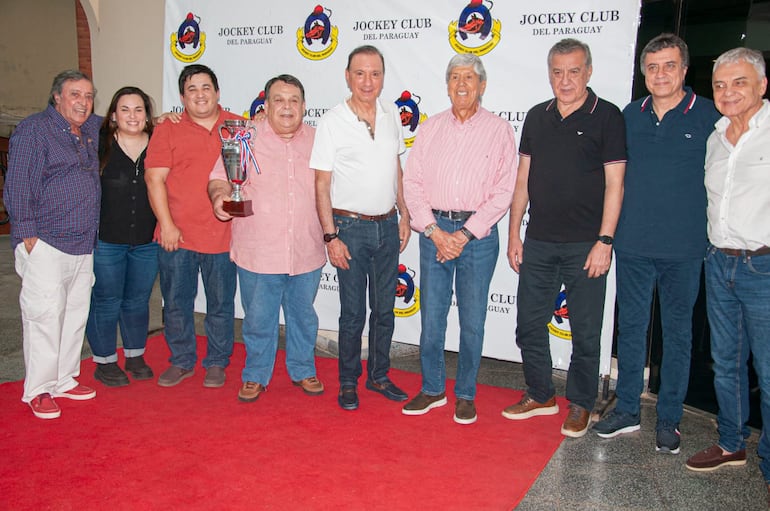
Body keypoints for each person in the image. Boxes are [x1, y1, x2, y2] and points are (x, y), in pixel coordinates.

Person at [591, 34, 720, 453]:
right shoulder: (630, 115)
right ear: (644, 73)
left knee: (678, 335)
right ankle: (627, 409)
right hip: (632, 244)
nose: (660, 74)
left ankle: (669, 419)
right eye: (652, 67)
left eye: (669, 66)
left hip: (684, 249)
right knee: (630, 328)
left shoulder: (708, 115)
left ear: (684, 70)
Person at [502, 38, 626, 438]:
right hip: (538, 241)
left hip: (586, 246)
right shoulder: (537, 117)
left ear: (588, 72)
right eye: (558, 72)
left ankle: (582, 404)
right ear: (549, 74)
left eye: (574, 71)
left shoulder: (607, 116)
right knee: (527, 324)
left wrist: (604, 241)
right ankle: (540, 394)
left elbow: (615, 184)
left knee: (586, 333)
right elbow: (523, 179)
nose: (566, 80)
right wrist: (514, 233)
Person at [401, 54, 516, 424]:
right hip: (434, 232)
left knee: (473, 320)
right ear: (447, 84)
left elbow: (504, 191)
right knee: (432, 317)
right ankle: (433, 389)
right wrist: (435, 232)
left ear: (482, 85)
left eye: (469, 77)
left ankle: (465, 393)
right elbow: (412, 183)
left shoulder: (500, 130)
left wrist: (464, 234)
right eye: (454, 77)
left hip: (477, 239)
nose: (461, 83)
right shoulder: (430, 127)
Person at [208, 74, 326, 403]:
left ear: (304, 106)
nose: (286, 107)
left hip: (306, 248)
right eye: (278, 100)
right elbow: (220, 178)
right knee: (259, 318)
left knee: (304, 315)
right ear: (267, 105)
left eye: (293, 100)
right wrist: (220, 198)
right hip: (259, 251)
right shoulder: (246, 137)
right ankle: (256, 374)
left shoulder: (319, 140)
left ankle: (303, 369)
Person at [686, 48, 770, 489]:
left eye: (739, 82)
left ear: (762, 85)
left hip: (764, 267)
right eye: (719, 85)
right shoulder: (715, 137)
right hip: (719, 263)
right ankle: (731, 441)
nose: (728, 92)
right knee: (726, 362)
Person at [311, 45, 411, 411]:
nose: (368, 81)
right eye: (360, 73)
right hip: (348, 229)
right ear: (347, 76)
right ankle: (349, 381)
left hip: (387, 227)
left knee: (384, 309)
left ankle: (379, 375)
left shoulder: (391, 114)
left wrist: (405, 212)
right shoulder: (332, 121)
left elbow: (395, 168)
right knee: (352, 313)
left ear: (383, 76)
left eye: (375, 73)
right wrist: (330, 236)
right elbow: (321, 184)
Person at [5, 70, 100, 419]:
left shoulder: (88, 130)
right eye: (75, 94)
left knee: (74, 315)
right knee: (44, 317)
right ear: (56, 97)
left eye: (89, 96)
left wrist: (158, 117)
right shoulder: (35, 130)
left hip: (83, 243)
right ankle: (39, 389)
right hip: (45, 242)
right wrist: (27, 234)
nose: (83, 102)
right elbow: (16, 184)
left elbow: (124, 116)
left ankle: (63, 378)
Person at [145, 64, 240, 388]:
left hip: (224, 236)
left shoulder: (239, 126)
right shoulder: (167, 129)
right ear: (183, 96)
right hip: (178, 236)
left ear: (217, 92)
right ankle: (182, 360)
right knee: (175, 304)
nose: (200, 95)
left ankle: (216, 362)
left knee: (221, 305)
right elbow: (154, 179)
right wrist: (166, 225)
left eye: (206, 87)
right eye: (192, 89)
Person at [86, 87, 161, 387]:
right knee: (106, 300)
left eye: (139, 109)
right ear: (114, 115)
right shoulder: (98, 144)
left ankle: (134, 354)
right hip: (107, 240)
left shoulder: (158, 144)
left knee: (137, 300)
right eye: (125, 109)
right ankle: (104, 361)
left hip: (147, 241)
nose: (132, 115)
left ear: (147, 114)